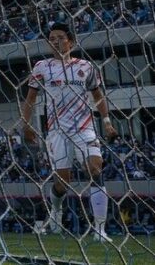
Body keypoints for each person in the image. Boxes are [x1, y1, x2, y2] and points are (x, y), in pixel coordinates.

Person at [21, 22, 118, 242]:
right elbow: (31, 99)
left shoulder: (86, 67)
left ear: (71, 41)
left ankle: (100, 230)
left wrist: (107, 121)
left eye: (59, 37)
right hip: (57, 131)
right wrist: (26, 125)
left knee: (95, 168)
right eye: (51, 38)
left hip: (85, 128)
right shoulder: (41, 67)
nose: (55, 41)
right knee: (62, 182)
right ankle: (56, 211)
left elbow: (98, 95)